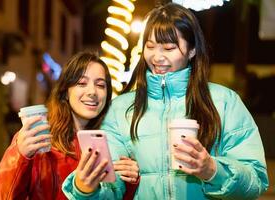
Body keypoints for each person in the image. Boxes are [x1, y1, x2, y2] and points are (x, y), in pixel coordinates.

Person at [62, 3, 269, 199]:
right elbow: (112, 191)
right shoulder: (121, 109)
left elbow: (256, 182)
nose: (157, 57)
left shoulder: (224, 102)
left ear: (192, 50)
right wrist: (86, 188)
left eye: (169, 48)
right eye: (150, 46)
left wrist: (212, 170)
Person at [0, 51, 140, 199]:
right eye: (82, 83)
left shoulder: (113, 142)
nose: (92, 91)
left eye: (100, 85)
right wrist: (19, 155)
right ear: (66, 91)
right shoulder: (38, 137)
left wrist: (130, 182)